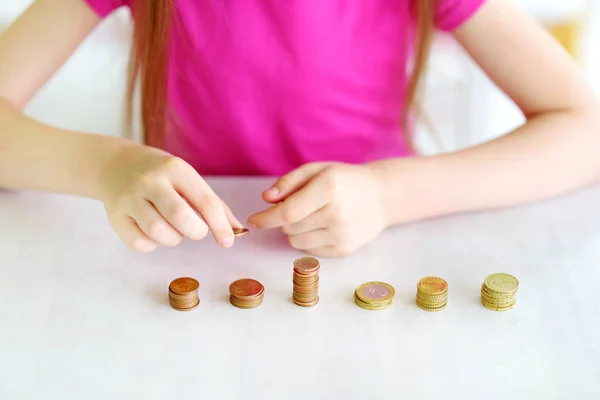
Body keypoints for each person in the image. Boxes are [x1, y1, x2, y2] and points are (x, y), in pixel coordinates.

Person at [0, 0, 598, 257]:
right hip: (202, 258)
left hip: (385, 253)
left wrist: (390, 194)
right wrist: (107, 167)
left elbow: (585, 130)